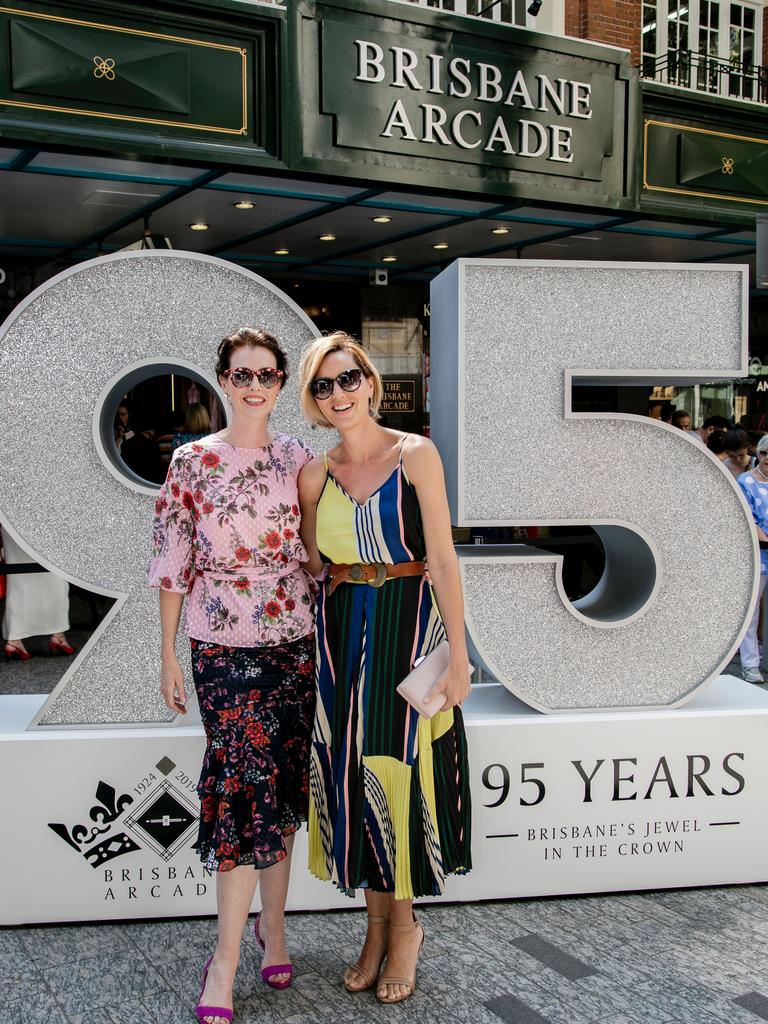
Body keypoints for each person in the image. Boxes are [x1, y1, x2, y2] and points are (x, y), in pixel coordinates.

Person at [297, 332, 472, 1005]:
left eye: (347, 380)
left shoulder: (416, 454)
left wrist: (458, 655)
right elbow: (314, 566)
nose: (337, 394)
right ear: (314, 400)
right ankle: (372, 929)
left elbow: (445, 559)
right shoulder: (315, 474)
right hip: (341, 632)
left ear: (370, 382)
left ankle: (405, 929)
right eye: (322, 386)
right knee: (349, 774)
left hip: (407, 622)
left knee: (398, 772)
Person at [149, 327, 316, 1024]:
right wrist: (165, 654)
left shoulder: (299, 458)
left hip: (293, 642)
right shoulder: (191, 462)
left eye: (267, 374)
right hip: (219, 645)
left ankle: (273, 930)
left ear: (281, 384)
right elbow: (169, 561)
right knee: (242, 788)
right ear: (222, 379)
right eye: (242, 373)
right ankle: (224, 961)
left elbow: (317, 550)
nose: (254, 384)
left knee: (277, 788)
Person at [2, 526, 74, 660]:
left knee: (19, 579)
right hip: (40, 519)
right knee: (56, 577)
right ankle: (58, 634)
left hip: (9, 520)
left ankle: (14, 640)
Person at [735, 435, 768, 684]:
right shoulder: (745, 481)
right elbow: (748, 519)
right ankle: (750, 665)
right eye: (765, 453)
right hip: (757, 555)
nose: (767, 459)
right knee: (751, 611)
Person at [121, 417, 166, 485]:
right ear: (149, 431)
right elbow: (157, 468)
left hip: (131, 481)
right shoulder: (153, 445)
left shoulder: (126, 444)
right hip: (149, 482)